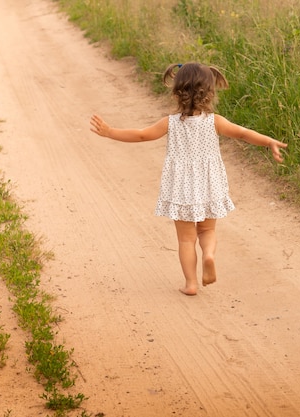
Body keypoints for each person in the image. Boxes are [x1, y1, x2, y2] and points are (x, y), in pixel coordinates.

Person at [90, 62, 287, 296]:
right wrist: (269, 142)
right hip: (209, 184)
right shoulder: (215, 121)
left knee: (185, 240)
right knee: (207, 231)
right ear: (210, 91)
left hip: (181, 187)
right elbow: (244, 133)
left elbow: (142, 135)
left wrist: (110, 131)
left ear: (177, 92)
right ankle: (210, 255)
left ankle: (191, 284)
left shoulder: (170, 123)